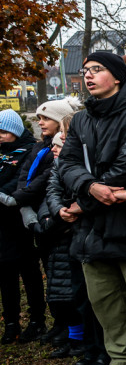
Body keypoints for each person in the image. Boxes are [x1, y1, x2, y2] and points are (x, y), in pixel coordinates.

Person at [59, 52, 126, 365]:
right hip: (91, 229)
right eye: (85, 71)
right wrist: (89, 187)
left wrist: (85, 201)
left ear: (117, 77)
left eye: (97, 70)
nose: (88, 76)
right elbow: (67, 164)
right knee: (103, 298)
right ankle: (122, 356)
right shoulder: (79, 120)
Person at [14, 98, 81, 347]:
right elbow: (26, 178)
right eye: (39, 118)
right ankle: (61, 324)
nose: (40, 122)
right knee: (54, 279)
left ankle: (73, 330)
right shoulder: (41, 149)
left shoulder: (59, 153)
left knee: (67, 282)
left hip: (57, 223)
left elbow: (47, 185)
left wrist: (18, 199)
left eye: (46, 118)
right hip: (44, 220)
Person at [47, 116, 106, 365]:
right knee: (80, 296)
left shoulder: (94, 156)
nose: (64, 136)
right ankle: (89, 348)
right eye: (63, 132)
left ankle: (103, 351)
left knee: (99, 298)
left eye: (68, 132)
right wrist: (59, 209)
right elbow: (53, 186)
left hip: (93, 230)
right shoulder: (63, 161)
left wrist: (81, 207)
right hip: (73, 234)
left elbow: (100, 187)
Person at [0, 109, 46, 344]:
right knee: (5, 274)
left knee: (29, 272)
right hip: (2, 224)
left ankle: (37, 320)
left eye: (4, 131)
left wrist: (5, 194)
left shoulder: (28, 151)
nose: (0, 135)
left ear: (16, 131)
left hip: (20, 220)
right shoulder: (1, 153)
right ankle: (10, 322)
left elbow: (21, 181)